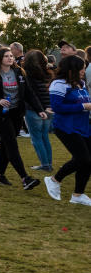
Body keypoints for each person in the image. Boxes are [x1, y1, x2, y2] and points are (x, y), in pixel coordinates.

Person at [0, 47, 41, 190]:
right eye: (6, 56)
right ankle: (25, 178)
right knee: (11, 144)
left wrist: (39, 109)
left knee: (6, 144)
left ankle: (0, 175)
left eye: (11, 56)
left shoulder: (19, 72)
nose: (10, 58)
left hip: (16, 113)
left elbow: (29, 92)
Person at [43, 56, 91, 205]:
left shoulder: (81, 83)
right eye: (81, 68)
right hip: (66, 127)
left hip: (83, 126)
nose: (84, 70)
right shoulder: (59, 84)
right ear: (71, 70)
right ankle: (54, 180)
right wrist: (84, 106)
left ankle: (78, 195)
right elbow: (57, 107)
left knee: (88, 161)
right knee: (83, 158)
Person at [21, 50, 54, 173]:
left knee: (37, 138)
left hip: (35, 110)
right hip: (49, 108)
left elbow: (31, 94)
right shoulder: (49, 74)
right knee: (44, 137)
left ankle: (45, 165)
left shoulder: (27, 75)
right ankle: (48, 164)